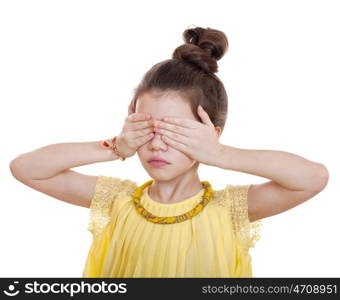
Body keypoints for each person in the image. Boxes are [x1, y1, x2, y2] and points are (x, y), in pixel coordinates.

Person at [9, 26, 329, 278]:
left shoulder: (230, 209)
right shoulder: (116, 201)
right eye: (147, 130)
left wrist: (219, 154)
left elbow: (313, 177)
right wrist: (116, 147)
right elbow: (26, 168)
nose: (158, 145)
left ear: (210, 134)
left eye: (176, 133)